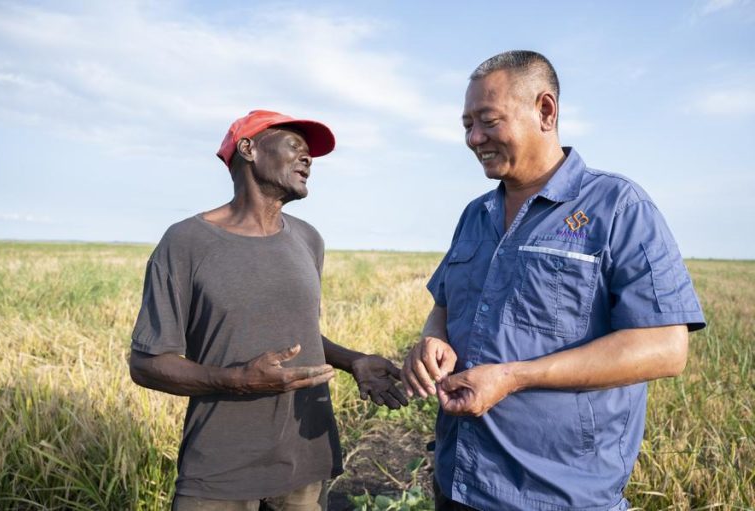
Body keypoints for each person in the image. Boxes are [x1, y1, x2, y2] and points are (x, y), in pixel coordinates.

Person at [401, 51, 706, 511]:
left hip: (558, 494)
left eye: (488, 121)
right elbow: (443, 305)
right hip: (459, 482)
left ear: (546, 110)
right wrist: (433, 339)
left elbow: (665, 347)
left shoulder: (618, 207)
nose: (474, 138)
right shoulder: (475, 214)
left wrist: (513, 378)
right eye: (467, 124)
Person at [129, 110, 408, 511]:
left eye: (310, 153)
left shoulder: (308, 239)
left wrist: (355, 361)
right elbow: (146, 364)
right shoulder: (186, 242)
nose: (308, 158)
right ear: (249, 149)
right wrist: (237, 380)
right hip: (220, 471)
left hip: (305, 461)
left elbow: (298, 336)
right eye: (295, 146)